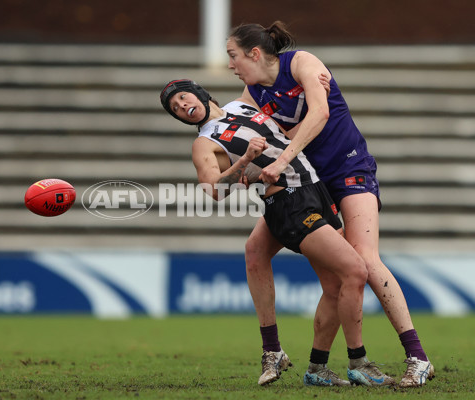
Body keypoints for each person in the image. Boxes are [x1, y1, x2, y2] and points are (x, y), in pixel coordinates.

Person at [226, 21, 434, 388]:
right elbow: (246, 133)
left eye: (233, 56)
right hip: (307, 182)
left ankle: (417, 357)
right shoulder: (252, 92)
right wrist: (242, 166)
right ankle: (283, 354)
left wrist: (281, 156)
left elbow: (320, 115)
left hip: (348, 168)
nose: (230, 64)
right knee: (255, 250)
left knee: (364, 260)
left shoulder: (301, 63)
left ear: (255, 53)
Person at [159, 78, 394, 387]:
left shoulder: (240, 105)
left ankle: (317, 369)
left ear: (200, 93)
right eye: (174, 109)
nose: (182, 107)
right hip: (288, 203)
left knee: (335, 285)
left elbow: (261, 71)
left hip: (315, 189)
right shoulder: (204, 143)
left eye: (182, 98)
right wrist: (244, 160)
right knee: (354, 271)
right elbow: (213, 190)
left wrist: (312, 76)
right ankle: (358, 362)